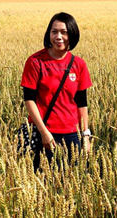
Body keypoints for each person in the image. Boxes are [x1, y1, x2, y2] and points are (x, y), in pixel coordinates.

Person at [20, 12, 92, 171]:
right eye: (54, 32)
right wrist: (43, 132)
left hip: (73, 134)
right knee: (43, 179)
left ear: (72, 34)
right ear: (48, 34)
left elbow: (82, 103)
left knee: (72, 179)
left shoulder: (78, 64)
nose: (58, 36)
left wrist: (85, 135)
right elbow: (29, 99)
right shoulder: (35, 62)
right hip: (45, 132)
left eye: (64, 32)